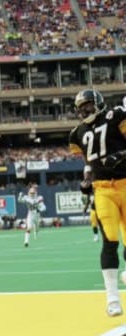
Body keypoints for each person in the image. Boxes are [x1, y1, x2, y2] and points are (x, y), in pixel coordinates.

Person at [68, 88, 126, 317]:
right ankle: (112, 297)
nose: (84, 110)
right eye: (81, 108)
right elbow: (89, 162)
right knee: (109, 240)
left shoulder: (116, 116)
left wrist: (120, 155)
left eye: (88, 105)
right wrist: (86, 180)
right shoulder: (77, 133)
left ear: (99, 102)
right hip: (102, 189)